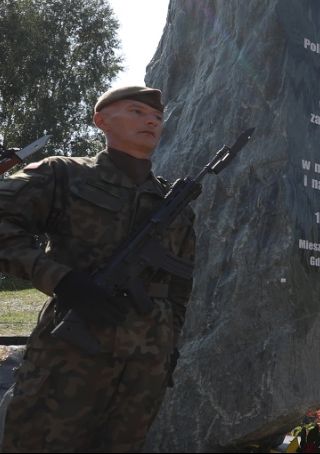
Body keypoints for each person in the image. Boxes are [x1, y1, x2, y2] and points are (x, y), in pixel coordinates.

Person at [0, 86, 196, 452]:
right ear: (101, 120)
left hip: (144, 368)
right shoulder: (62, 174)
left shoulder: (173, 203)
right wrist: (62, 280)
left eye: (156, 116)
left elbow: (180, 285)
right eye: (137, 111)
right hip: (68, 358)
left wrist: (168, 348)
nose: (151, 120)